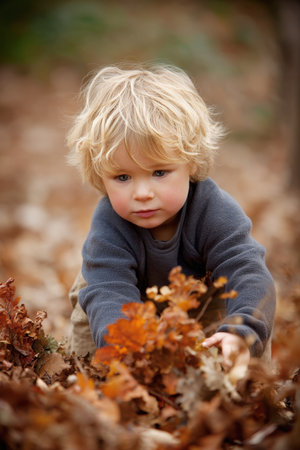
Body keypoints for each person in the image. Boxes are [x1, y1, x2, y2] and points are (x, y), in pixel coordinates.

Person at [67, 64, 276, 367]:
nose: (141, 193)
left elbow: (246, 271)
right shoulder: (109, 225)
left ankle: (249, 379)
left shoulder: (213, 212)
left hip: (200, 301)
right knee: (90, 289)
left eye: (159, 172)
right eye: (122, 177)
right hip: (123, 301)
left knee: (252, 304)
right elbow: (110, 291)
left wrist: (242, 332)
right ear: (101, 175)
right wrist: (125, 347)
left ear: (190, 163)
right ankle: (93, 375)